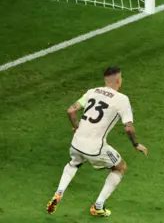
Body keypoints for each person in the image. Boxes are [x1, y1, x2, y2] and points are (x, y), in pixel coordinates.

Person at [46, 67, 147, 217]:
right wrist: (136, 144)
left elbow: (71, 110)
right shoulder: (122, 99)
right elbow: (128, 128)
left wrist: (76, 127)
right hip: (95, 148)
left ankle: (59, 192)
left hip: (76, 142)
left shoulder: (92, 91)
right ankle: (98, 205)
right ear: (119, 81)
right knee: (120, 167)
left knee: (74, 163)